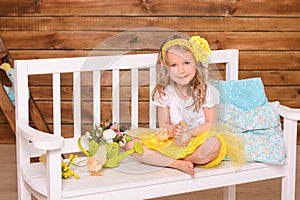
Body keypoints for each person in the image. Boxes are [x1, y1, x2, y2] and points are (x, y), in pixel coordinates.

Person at [125, 34, 226, 176]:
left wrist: (189, 133)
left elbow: (211, 124)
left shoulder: (206, 90)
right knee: (131, 145)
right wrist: (173, 131)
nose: (181, 70)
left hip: (197, 138)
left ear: (196, 62)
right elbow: (164, 124)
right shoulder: (165, 92)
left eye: (186, 63)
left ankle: (165, 159)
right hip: (172, 141)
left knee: (214, 145)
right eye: (173, 65)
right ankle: (177, 163)